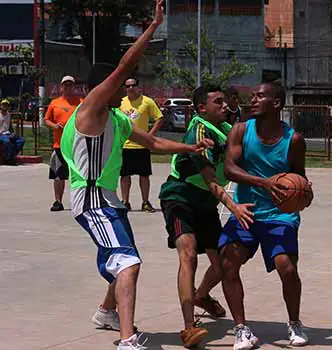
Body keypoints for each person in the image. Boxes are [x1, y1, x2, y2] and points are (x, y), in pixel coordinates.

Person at [60, 2, 212, 349]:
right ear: (104, 88)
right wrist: (155, 25)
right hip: (92, 200)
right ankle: (127, 339)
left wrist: (190, 148)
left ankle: (106, 312)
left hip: (109, 200)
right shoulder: (90, 112)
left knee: (123, 258)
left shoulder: (117, 119)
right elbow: (127, 63)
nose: (125, 86)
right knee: (128, 261)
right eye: (118, 83)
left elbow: (154, 141)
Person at [158, 85, 255, 348]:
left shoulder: (225, 130)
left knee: (221, 264)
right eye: (218, 102)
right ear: (202, 108)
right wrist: (234, 207)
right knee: (188, 254)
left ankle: (201, 295)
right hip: (180, 195)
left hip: (206, 202)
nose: (225, 106)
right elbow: (211, 180)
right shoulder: (199, 129)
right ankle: (189, 327)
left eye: (226, 101)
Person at [218, 82, 313, 350]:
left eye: (260, 96)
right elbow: (229, 169)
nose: (253, 100)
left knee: (287, 267)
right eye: (253, 96)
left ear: (277, 103)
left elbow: (299, 177)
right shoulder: (240, 130)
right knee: (228, 261)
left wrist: (303, 193)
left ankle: (294, 322)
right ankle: (241, 329)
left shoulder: (293, 140)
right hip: (246, 210)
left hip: (279, 215)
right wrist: (264, 183)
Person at [119, 77, 164, 212]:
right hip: (125, 145)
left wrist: (150, 135)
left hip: (142, 145)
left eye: (133, 85)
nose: (130, 88)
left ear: (139, 86)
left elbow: (159, 118)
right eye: (127, 86)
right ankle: (125, 202)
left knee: (144, 175)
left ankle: (145, 202)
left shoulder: (147, 101)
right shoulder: (121, 102)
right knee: (125, 176)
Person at [44, 75, 82, 211]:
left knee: (79, 174)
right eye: (65, 85)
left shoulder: (80, 102)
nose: (68, 87)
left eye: (70, 85)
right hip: (59, 145)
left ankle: (80, 201)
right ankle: (58, 201)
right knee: (58, 175)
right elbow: (46, 120)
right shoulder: (55, 103)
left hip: (77, 145)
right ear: (61, 87)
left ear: (74, 87)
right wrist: (55, 126)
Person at [0, 99, 25, 165]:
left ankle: (12, 155)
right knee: (7, 141)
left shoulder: (8, 114)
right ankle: (7, 159)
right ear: (1, 106)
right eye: (3, 105)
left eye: (6, 105)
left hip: (7, 133)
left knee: (21, 140)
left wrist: (12, 132)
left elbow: (9, 125)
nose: (5, 106)